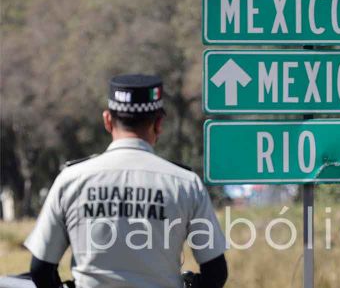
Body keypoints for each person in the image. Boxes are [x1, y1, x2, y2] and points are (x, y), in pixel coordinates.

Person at [24, 74, 228, 288]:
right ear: (158, 124)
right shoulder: (185, 183)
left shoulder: (71, 180)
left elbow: (41, 269)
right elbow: (215, 272)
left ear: (107, 120)